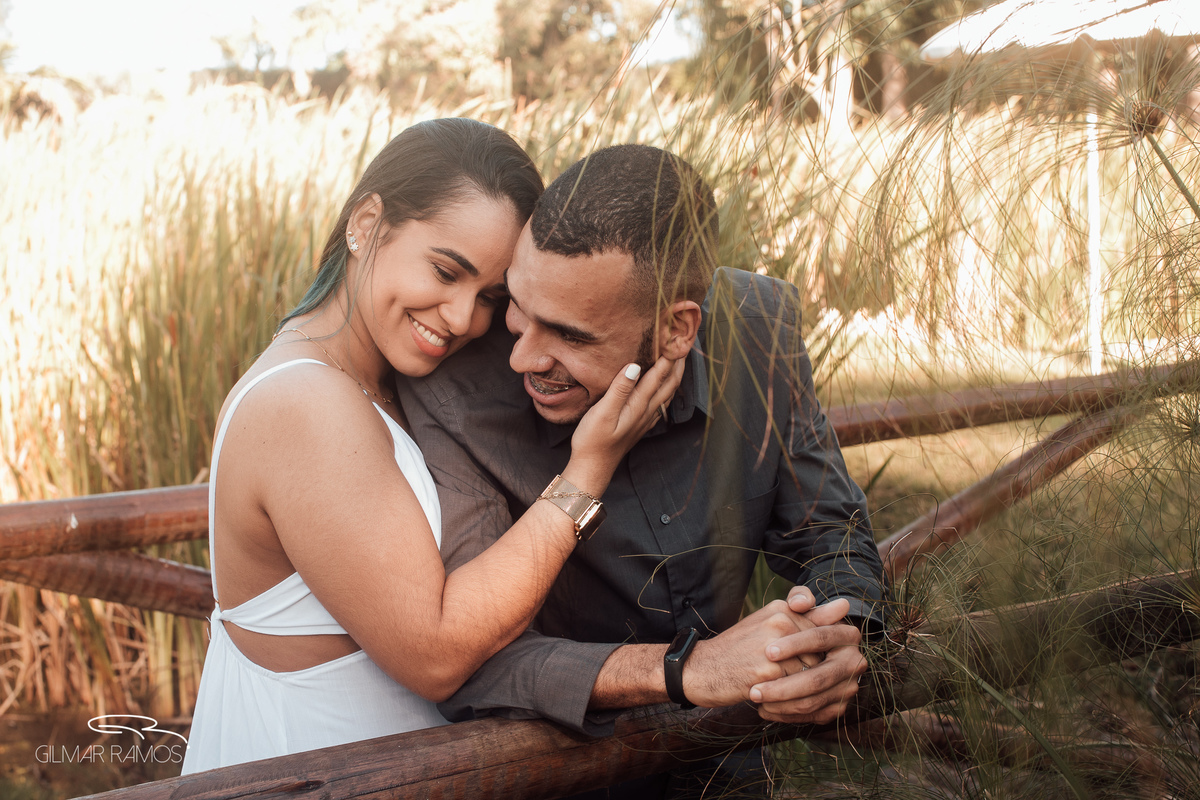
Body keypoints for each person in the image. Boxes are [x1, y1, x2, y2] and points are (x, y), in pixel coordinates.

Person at [182, 120, 682, 774]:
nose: (460, 318)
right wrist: (589, 469)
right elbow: (436, 653)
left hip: (388, 770)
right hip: (315, 771)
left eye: (490, 297)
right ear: (366, 222)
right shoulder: (306, 406)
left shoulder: (373, 382)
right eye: (446, 271)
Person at [399, 144, 887, 797]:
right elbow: (475, 664)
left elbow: (830, 531)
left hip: (731, 765)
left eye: (569, 336)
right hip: (549, 769)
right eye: (519, 305)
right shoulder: (451, 395)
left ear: (678, 330)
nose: (524, 358)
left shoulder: (757, 324)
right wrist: (691, 668)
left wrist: (836, 632)